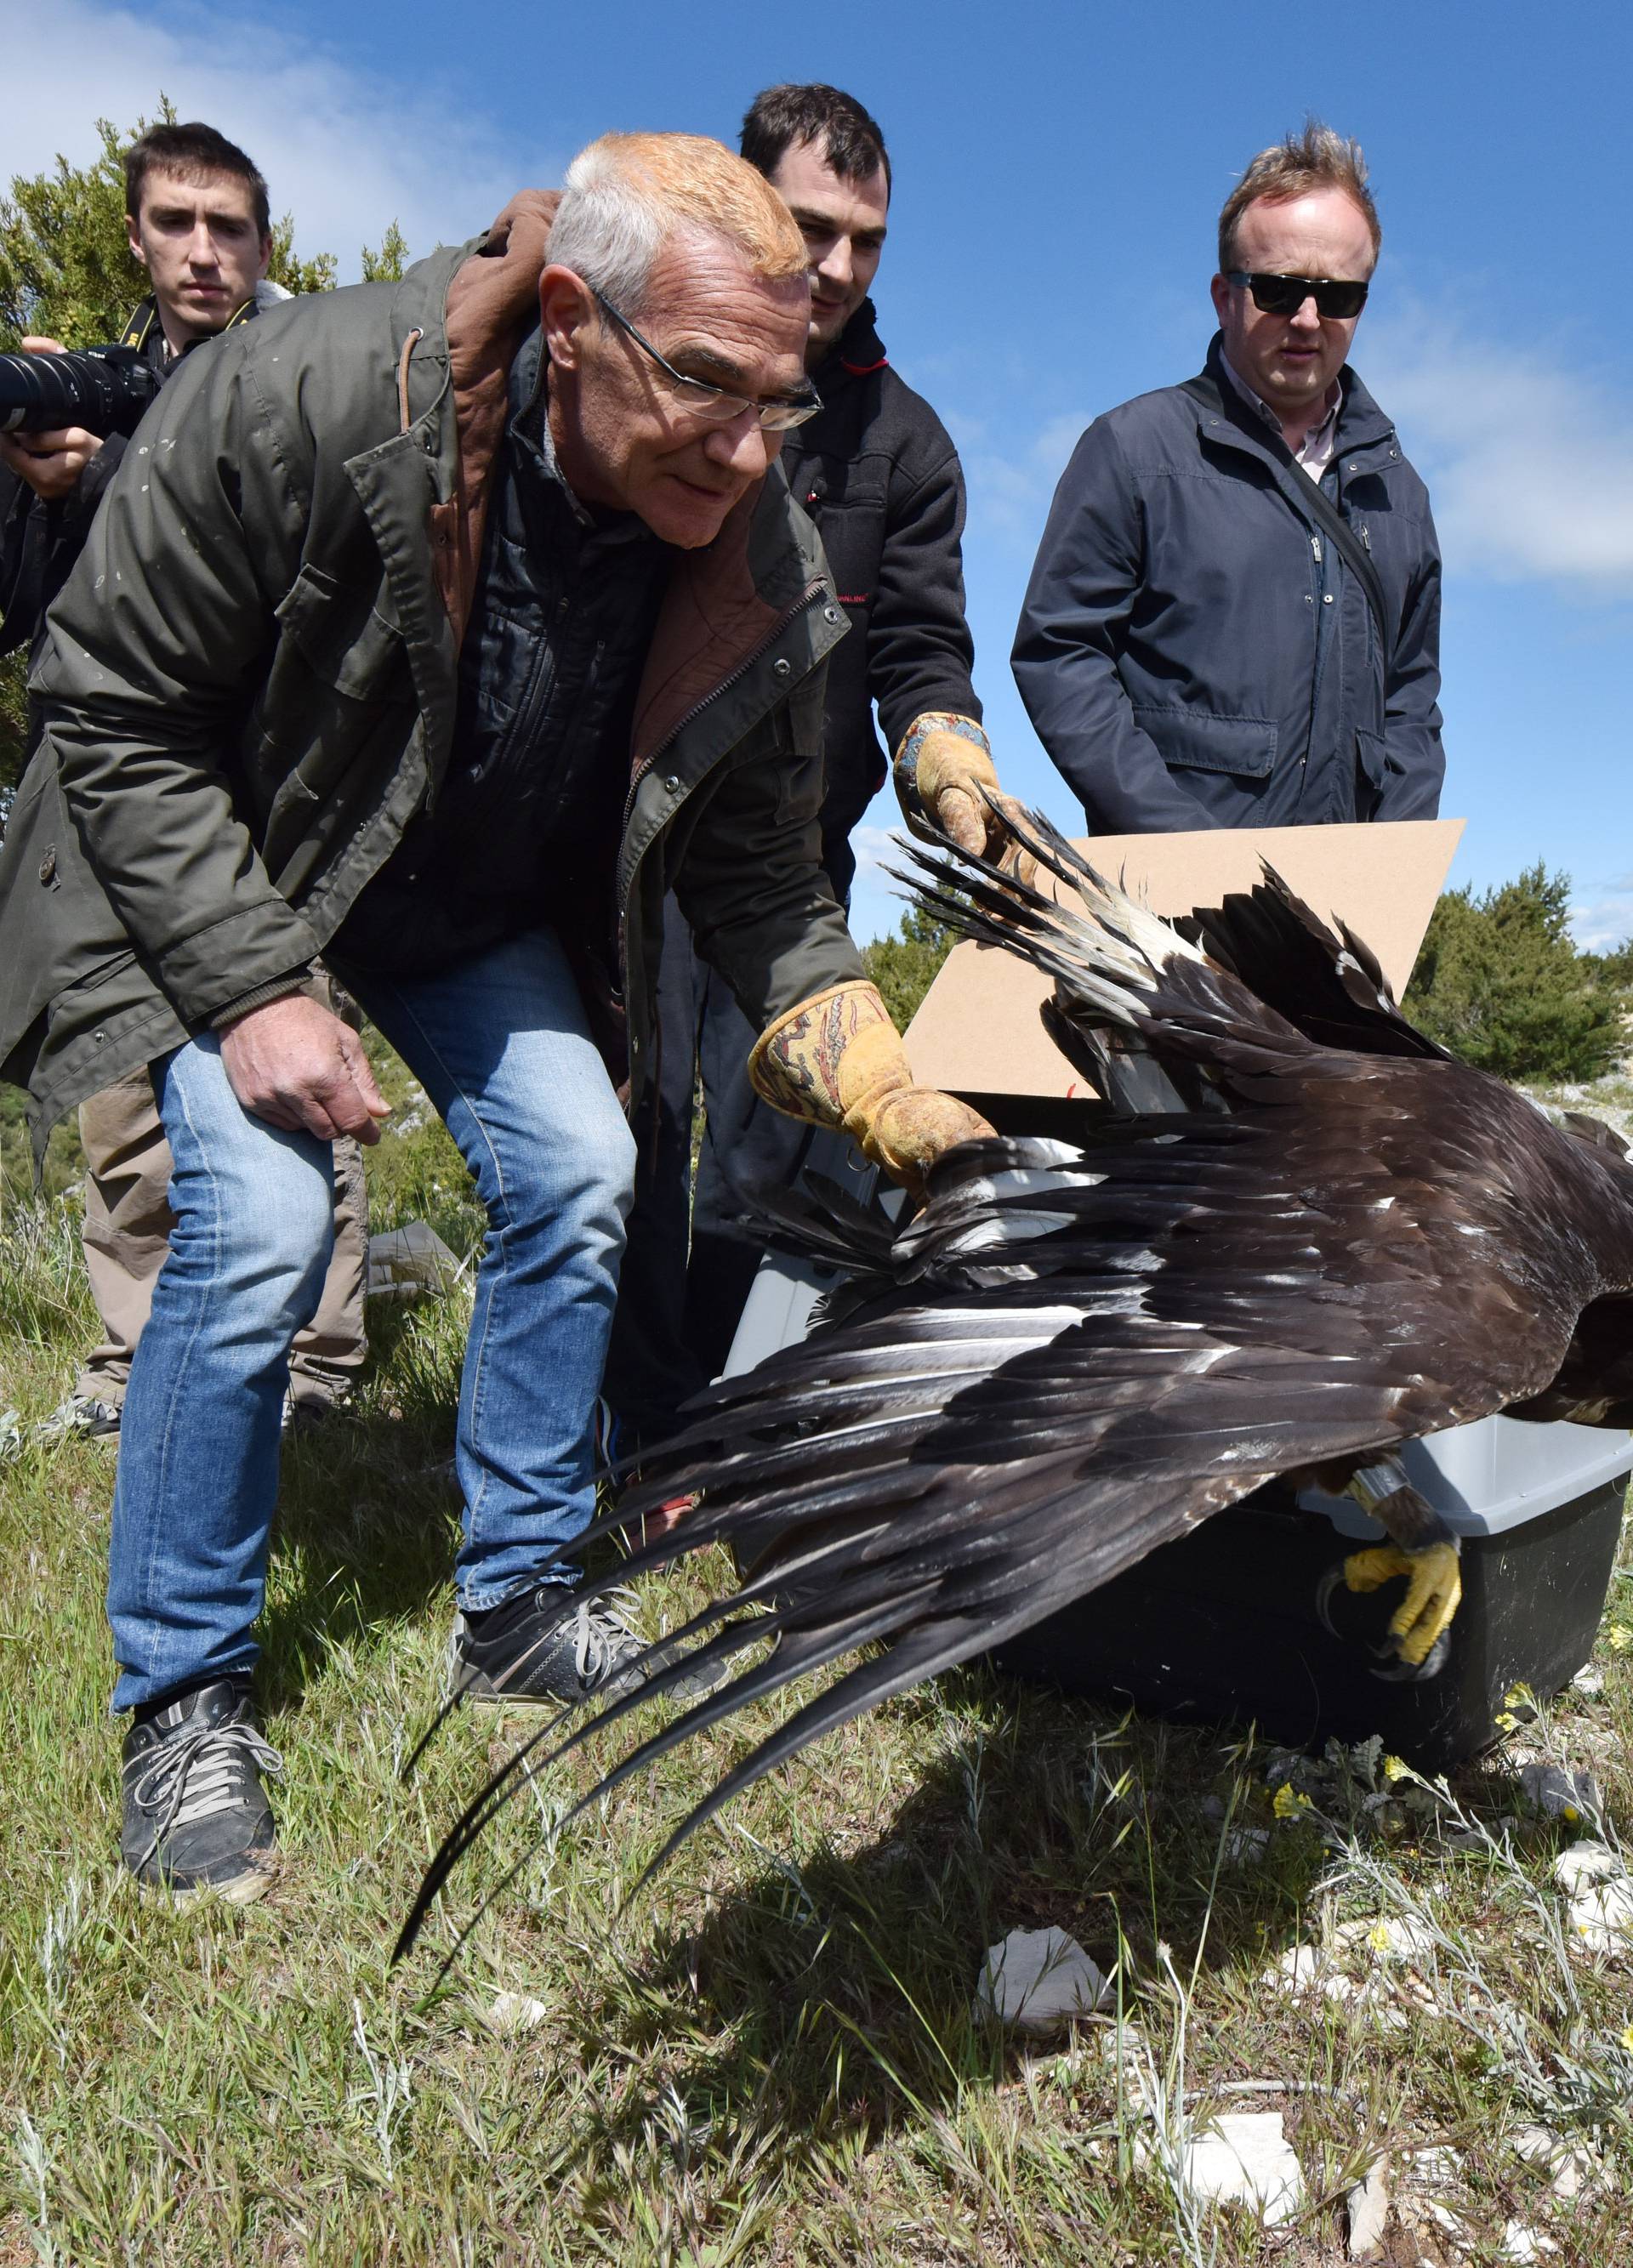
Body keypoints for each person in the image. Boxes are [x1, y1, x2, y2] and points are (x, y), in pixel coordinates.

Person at [0, 132, 1002, 1902]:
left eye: (775, 398)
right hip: (240, 847)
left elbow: (764, 889)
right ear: (570, 320)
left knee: (583, 1159)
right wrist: (247, 984)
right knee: (258, 1217)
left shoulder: (752, 539)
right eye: (702, 385)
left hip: (463, 900)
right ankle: (185, 1697)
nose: (748, 446)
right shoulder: (307, 398)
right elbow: (111, 694)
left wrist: (909, 1108)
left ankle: (523, 1588)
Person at [607, 84, 996, 1446]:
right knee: (636, 1140)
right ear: (745, 199)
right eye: (810, 225)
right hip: (632, 851)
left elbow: (925, 653)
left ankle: (729, 1418)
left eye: (867, 241)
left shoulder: (911, 443)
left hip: (789, 857)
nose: (836, 265)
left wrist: (950, 755)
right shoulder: (659, 365)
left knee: (774, 1155)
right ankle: (641, 1429)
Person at [0, 120, 367, 1438]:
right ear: (140, 236)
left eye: (228, 227)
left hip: (268, 783)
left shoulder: (309, 378)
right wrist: (44, 493)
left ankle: (316, 1367)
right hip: (109, 782)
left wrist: (151, 470)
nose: (202, 253)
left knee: (300, 1051)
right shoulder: (79, 399)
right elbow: (28, 618)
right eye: (175, 223)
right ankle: (131, 1358)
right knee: (120, 1085)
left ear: (265, 243)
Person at [1014, 121, 1443, 835]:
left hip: (1345, 912)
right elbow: (1060, 653)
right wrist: (1182, 849)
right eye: (1278, 289)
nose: (1308, 319)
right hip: (1171, 910)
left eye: (1338, 296)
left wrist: (1393, 861)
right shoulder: (1132, 450)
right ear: (1223, 295)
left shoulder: (1401, 494)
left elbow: (1413, 702)